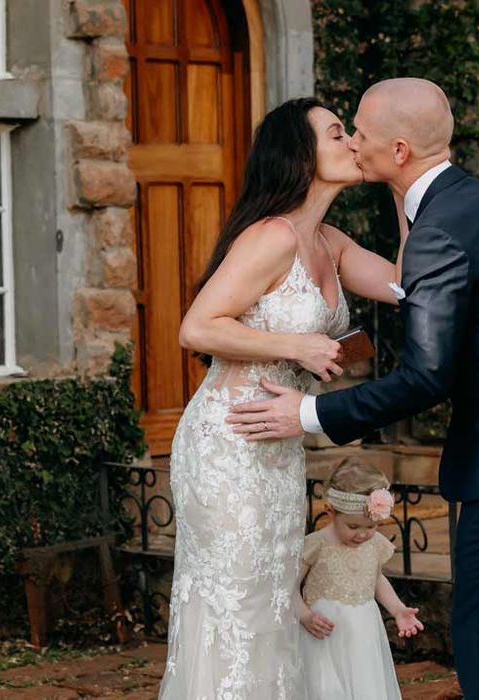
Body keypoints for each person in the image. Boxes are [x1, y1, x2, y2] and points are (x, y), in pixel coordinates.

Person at [228, 77, 479, 699]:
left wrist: (310, 413)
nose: (354, 143)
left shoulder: (438, 232)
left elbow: (427, 375)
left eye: (362, 134)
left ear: (398, 151)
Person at [157, 97, 405, 699]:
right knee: (239, 604)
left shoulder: (332, 242)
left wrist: (403, 188)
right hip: (229, 444)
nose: (351, 142)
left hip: (277, 447)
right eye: (337, 132)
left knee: (273, 601)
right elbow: (197, 327)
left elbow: (408, 283)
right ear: (300, 154)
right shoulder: (271, 237)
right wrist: (297, 343)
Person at [299, 458, 423, 699]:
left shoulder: (374, 544)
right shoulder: (316, 545)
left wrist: (398, 610)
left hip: (364, 629)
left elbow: (376, 579)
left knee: (365, 684)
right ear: (330, 511)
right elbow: (288, 588)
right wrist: (304, 616)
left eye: (372, 526)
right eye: (353, 526)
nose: (363, 534)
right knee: (327, 689)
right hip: (324, 632)